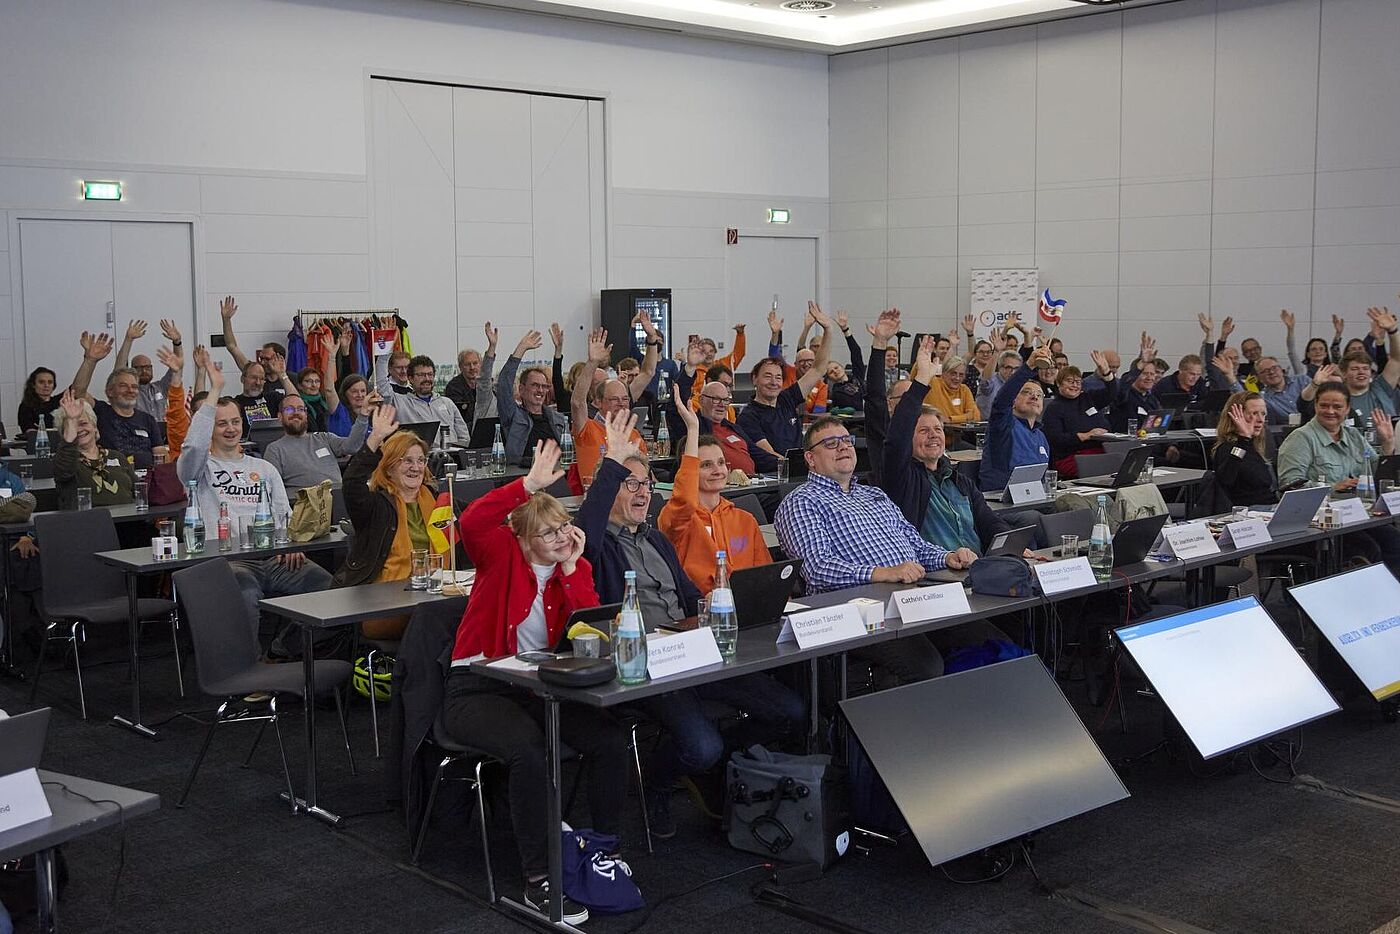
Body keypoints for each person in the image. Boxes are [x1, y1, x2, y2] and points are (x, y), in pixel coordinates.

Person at [577, 410, 804, 838]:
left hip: (691, 649)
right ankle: (658, 781)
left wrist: (725, 607)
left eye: (646, 484)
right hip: (643, 666)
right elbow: (586, 532)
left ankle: (708, 765)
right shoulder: (597, 545)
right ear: (609, 490)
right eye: (630, 485)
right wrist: (611, 467)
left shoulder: (655, 539)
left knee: (790, 711)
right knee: (702, 745)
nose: (643, 493)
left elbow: (686, 598)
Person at [441, 438, 630, 925]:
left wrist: (570, 569)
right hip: (476, 687)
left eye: (565, 527)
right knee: (529, 751)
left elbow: (589, 629)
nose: (563, 536)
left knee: (609, 741)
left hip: (536, 687)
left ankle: (604, 846)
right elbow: (472, 523)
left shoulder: (572, 564)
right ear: (522, 539)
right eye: (549, 534)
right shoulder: (501, 556)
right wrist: (524, 486)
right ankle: (539, 879)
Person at [774, 416, 974, 685]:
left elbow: (915, 544)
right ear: (810, 458)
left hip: (912, 598)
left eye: (847, 441)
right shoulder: (801, 502)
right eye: (831, 443)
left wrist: (948, 557)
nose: (843, 447)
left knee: (988, 637)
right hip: (857, 613)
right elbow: (817, 569)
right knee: (926, 665)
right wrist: (882, 573)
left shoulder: (873, 495)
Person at [176, 362, 333, 649]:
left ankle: (284, 649)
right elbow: (192, 446)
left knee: (328, 587)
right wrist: (215, 391)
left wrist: (291, 543)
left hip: (275, 558)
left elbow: (285, 515)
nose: (230, 429)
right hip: (227, 561)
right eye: (221, 423)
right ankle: (249, 672)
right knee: (246, 595)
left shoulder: (262, 467)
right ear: (210, 427)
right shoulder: (199, 470)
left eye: (235, 422)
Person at [332, 405, 451, 638]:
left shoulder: (437, 500)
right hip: (384, 605)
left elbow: (477, 514)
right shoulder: (375, 505)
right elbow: (352, 483)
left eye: (421, 460)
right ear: (389, 466)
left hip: (433, 595)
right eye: (406, 461)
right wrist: (375, 437)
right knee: (436, 619)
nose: (416, 468)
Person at [880, 340, 1011, 550]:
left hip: (979, 567)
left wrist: (1012, 543)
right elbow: (896, 439)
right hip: (937, 573)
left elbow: (988, 520)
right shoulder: (903, 478)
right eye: (923, 431)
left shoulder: (960, 481)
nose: (933, 435)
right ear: (909, 440)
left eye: (938, 429)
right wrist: (923, 378)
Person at [1277, 380, 1400, 571]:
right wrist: (1333, 487)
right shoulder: (1301, 438)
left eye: (1337, 406)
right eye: (1324, 405)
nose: (1330, 411)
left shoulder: (1353, 436)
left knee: (1394, 541)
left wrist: (1388, 444)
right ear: (1315, 405)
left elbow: (1376, 471)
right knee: (1368, 549)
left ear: (1347, 408)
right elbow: (1290, 486)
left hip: (1357, 514)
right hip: (1321, 522)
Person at [659, 387, 773, 593]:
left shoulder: (745, 520)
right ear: (691, 471)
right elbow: (685, 499)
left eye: (721, 462)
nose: (717, 470)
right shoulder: (678, 520)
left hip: (749, 607)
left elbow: (766, 575)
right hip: (701, 611)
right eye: (706, 465)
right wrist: (693, 429)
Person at [738, 302, 834, 457]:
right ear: (754, 379)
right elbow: (770, 454)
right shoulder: (748, 416)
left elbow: (818, 369)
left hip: (800, 468)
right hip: (776, 475)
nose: (773, 382)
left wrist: (828, 329)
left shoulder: (787, 399)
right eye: (767, 376)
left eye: (778, 377)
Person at [570, 318, 659, 482]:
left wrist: (652, 340)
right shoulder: (588, 429)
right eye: (614, 400)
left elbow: (648, 372)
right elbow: (577, 402)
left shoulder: (633, 434)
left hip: (632, 499)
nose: (622, 404)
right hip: (599, 501)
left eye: (625, 399)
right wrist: (592, 362)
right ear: (597, 402)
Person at [68, 332, 167, 468]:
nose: (130, 390)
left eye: (134, 387)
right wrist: (90, 361)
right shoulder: (101, 412)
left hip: (146, 479)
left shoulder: (148, 419)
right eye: (123, 386)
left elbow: (160, 455)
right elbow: (78, 392)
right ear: (109, 391)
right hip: (113, 479)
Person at [979, 346, 1053, 493]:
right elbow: (1002, 401)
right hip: (1003, 501)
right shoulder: (1003, 425)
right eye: (1026, 392)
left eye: (1039, 395)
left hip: (1033, 497)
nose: (1034, 396)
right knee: (1035, 517)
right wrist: (1029, 366)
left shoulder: (1040, 436)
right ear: (1013, 400)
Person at [263, 393, 368, 496]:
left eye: (300, 409)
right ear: (280, 416)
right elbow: (274, 490)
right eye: (289, 409)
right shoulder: (274, 449)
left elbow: (352, 447)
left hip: (339, 499)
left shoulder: (325, 438)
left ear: (306, 414)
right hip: (305, 505)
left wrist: (363, 415)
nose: (296, 413)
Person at [52, 389, 137, 510]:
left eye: (83, 423)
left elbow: (139, 489)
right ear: (64, 433)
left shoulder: (117, 456)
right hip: (88, 525)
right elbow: (64, 471)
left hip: (129, 524)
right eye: (73, 426)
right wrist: (71, 420)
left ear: (95, 427)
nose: (79, 430)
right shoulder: (65, 461)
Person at [497, 329, 570, 465]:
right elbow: (503, 385)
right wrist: (521, 349)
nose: (540, 390)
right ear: (522, 389)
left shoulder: (557, 419)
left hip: (556, 474)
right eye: (535, 385)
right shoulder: (513, 415)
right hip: (523, 476)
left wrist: (558, 351)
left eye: (544, 386)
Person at [219, 296, 292, 428]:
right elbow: (232, 346)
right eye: (261, 358)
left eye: (267, 359)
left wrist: (282, 374)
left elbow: (295, 401)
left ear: (279, 358)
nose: (263, 362)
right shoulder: (253, 368)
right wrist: (226, 320)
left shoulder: (288, 379)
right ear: (244, 378)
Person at [1043, 353, 1116, 477]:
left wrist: (1106, 372)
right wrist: (1084, 436)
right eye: (1069, 381)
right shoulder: (1054, 408)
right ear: (1059, 383)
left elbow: (1112, 393)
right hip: (1072, 456)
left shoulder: (1087, 398)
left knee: (1122, 462)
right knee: (1108, 468)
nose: (1075, 385)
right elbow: (1055, 438)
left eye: (1078, 382)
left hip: (1101, 450)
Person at [374, 350, 469, 445]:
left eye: (430, 374)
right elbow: (381, 384)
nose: (427, 379)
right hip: (419, 457)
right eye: (421, 375)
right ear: (410, 378)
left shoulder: (447, 403)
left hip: (451, 457)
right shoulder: (399, 403)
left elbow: (464, 437)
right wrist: (385, 351)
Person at [1208, 392, 1276, 509]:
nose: (1260, 420)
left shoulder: (1254, 446)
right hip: (1247, 512)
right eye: (1254, 414)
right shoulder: (1227, 448)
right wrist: (1244, 439)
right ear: (1236, 416)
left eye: (1263, 414)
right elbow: (1226, 479)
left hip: (1270, 507)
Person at [114, 318, 182, 422]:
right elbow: (119, 369)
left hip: (163, 433)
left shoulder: (160, 387)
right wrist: (128, 340)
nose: (144, 371)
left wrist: (177, 342)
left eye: (147, 367)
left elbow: (177, 366)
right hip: (139, 434)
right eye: (140, 368)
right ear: (132, 370)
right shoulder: (129, 391)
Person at [767, 306, 830, 413]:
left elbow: (819, 412)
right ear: (795, 364)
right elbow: (774, 355)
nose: (806, 364)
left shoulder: (821, 385)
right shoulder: (787, 372)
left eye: (810, 361)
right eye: (802, 361)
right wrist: (775, 334)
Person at [444, 323, 498, 430]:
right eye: (467, 364)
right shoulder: (454, 387)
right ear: (460, 367)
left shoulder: (489, 384)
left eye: (475, 363)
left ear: (481, 364)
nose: (472, 367)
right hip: (464, 429)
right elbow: (458, 415)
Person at [1110, 332, 1163, 432]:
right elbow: (1123, 384)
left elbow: (1158, 428)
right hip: (1126, 444)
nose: (1149, 378)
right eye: (1145, 373)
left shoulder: (1152, 400)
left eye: (1152, 374)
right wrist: (1142, 363)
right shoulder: (1124, 395)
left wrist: (1170, 446)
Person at [685, 324, 747, 408]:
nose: (708, 354)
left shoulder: (723, 365)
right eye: (704, 351)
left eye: (711, 351)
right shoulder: (693, 370)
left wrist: (740, 335)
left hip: (723, 406)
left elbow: (738, 354)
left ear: (715, 352)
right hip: (700, 408)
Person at [294, 330, 340, 433]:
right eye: (308, 381)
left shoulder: (325, 401)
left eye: (317, 381)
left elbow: (330, 388)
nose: (314, 385)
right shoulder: (298, 405)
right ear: (300, 386)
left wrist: (332, 357)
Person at [921, 354, 980, 424]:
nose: (957, 378)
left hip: (959, 433)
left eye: (961, 375)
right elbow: (918, 372)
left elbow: (974, 416)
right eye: (953, 373)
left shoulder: (964, 390)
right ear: (943, 373)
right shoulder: (933, 383)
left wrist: (950, 419)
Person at [18, 367, 61, 433]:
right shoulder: (26, 406)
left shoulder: (60, 401)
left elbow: (76, 387)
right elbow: (29, 431)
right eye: (41, 382)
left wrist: (83, 363)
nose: (46, 385)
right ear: (33, 385)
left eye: (50, 382)